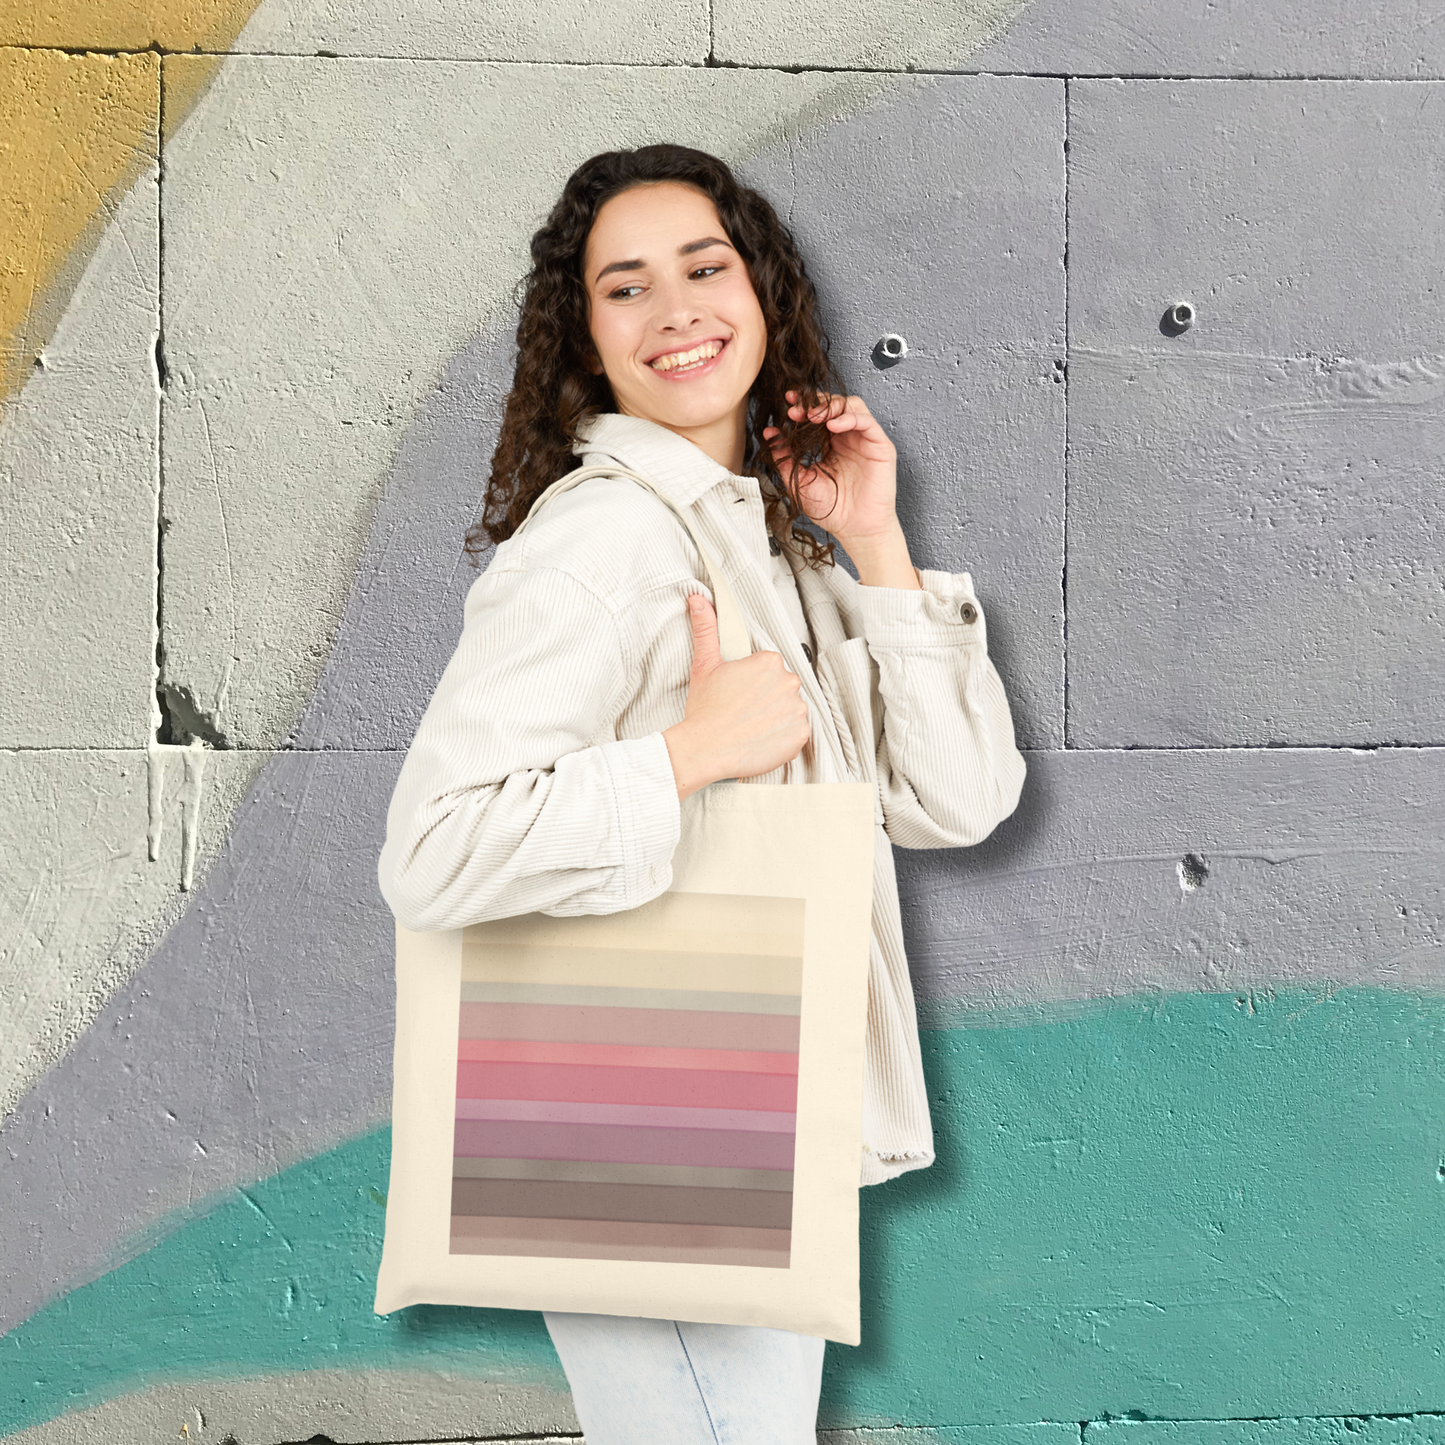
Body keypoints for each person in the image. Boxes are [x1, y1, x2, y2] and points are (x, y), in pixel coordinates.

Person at [377, 142, 1027, 1443]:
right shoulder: (603, 539)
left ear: (763, 292)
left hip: (740, 1108)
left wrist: (879, 544)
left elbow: (960, 802)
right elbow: (432, 850)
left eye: (703, 266)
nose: (675, 308)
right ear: (589, 341)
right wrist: (687, 756)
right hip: (650, 1108)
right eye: (626, 287)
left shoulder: (762, 537)